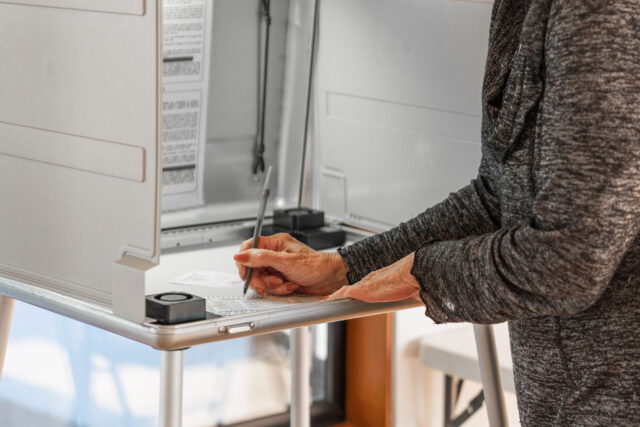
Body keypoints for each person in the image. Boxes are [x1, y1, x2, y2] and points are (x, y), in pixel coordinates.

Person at [234, 0, 640, 425]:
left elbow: (568, 261)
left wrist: (422, 272)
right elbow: (496, 198)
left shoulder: (604, 12)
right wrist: (344, 266)